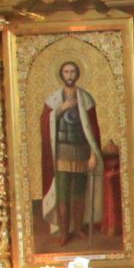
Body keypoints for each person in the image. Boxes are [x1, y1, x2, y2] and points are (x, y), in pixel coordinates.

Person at [40, 60, 105, 246]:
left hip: (82, 151)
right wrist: (61, 109)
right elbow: (45, 123)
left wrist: (93, 154)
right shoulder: (53, 100)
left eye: (73, 72)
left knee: (78, 193)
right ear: (62, 75)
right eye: (66, 72)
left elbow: (93, 130)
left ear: (77, 74)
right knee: (62, 193)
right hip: (61, 153)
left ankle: (77, 228)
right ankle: (64, 231)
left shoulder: (86, 99)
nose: (69, 75)